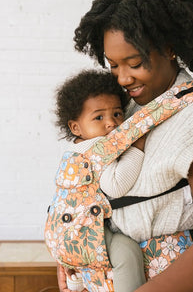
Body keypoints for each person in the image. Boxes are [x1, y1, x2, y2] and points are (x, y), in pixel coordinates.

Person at [58, 0, 193, 292]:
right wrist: (74, 252)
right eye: (113, 66)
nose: (122, 78)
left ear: (170, 48)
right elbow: (90, 182)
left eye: (134, 63)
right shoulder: (126, 109)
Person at [54, 69, 147, 292]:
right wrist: (137, 148)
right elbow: (116, 184)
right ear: (75, 127)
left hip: (63, 229)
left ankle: (80, 280)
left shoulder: (74, 150)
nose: (111, 123)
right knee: (127, 252)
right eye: (99, 117)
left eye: (117, 114)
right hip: (79, 228)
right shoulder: (97, 149)